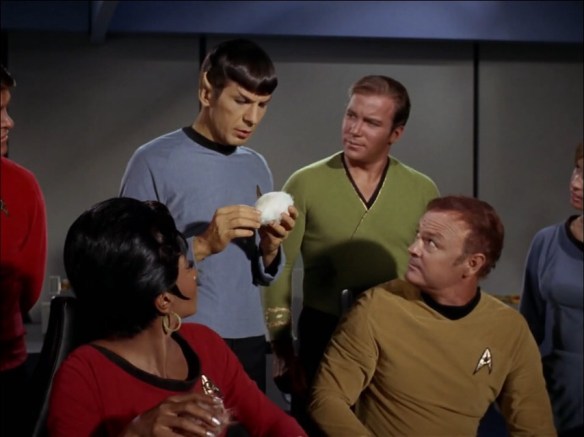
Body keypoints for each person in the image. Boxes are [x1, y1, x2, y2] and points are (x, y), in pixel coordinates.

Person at [263, 74, 439, 432]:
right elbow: (280, 265)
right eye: (351, 116)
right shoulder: (305, 182)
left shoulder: (422, 189)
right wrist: (281, 348)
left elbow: (433, 274)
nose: (354, 130)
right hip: (322, 332)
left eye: (371, 122)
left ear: (395, 133)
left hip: (395, 335)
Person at [120, 38, 297, 392]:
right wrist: (200, 244)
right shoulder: (152, 160)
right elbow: (127, 263)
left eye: (263, 105)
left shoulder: (257, 166)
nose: (252, 118)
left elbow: (259, 274)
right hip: (181, 334)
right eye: (241, 101)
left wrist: (270, 249)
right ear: (206, 92)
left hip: (248, 336)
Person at [47, 197, 306, 437]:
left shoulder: (207, 346)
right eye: (189, 266)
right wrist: (134, 433)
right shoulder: (83, 375)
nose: (196, 275)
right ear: (164, 300)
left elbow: (273, 423)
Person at [309, 195, 557, 436]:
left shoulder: (509, 328)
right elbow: (327, 399)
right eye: (418, 236)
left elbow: (534, 427)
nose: (413, 249)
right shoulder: (377, 307)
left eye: (431, 243)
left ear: (472, 264)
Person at [519, 142, 583, 437]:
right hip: (556, 401)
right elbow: (528, 328)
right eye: (577, 170)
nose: (576, 183)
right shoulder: (546, 241)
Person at [0, 64, 48, 436]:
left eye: (7, 108)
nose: (9, 122)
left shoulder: (21, 185)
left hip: (6, 372)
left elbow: (30, 286)